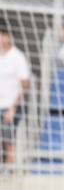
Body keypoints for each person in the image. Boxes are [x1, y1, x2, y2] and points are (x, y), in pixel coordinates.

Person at [0, 28, 30, 168]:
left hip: (9, 106)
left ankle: (10, 172)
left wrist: (13, 108)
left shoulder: (18, 57)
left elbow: (24, 85)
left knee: (8, 141)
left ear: (8, 38)